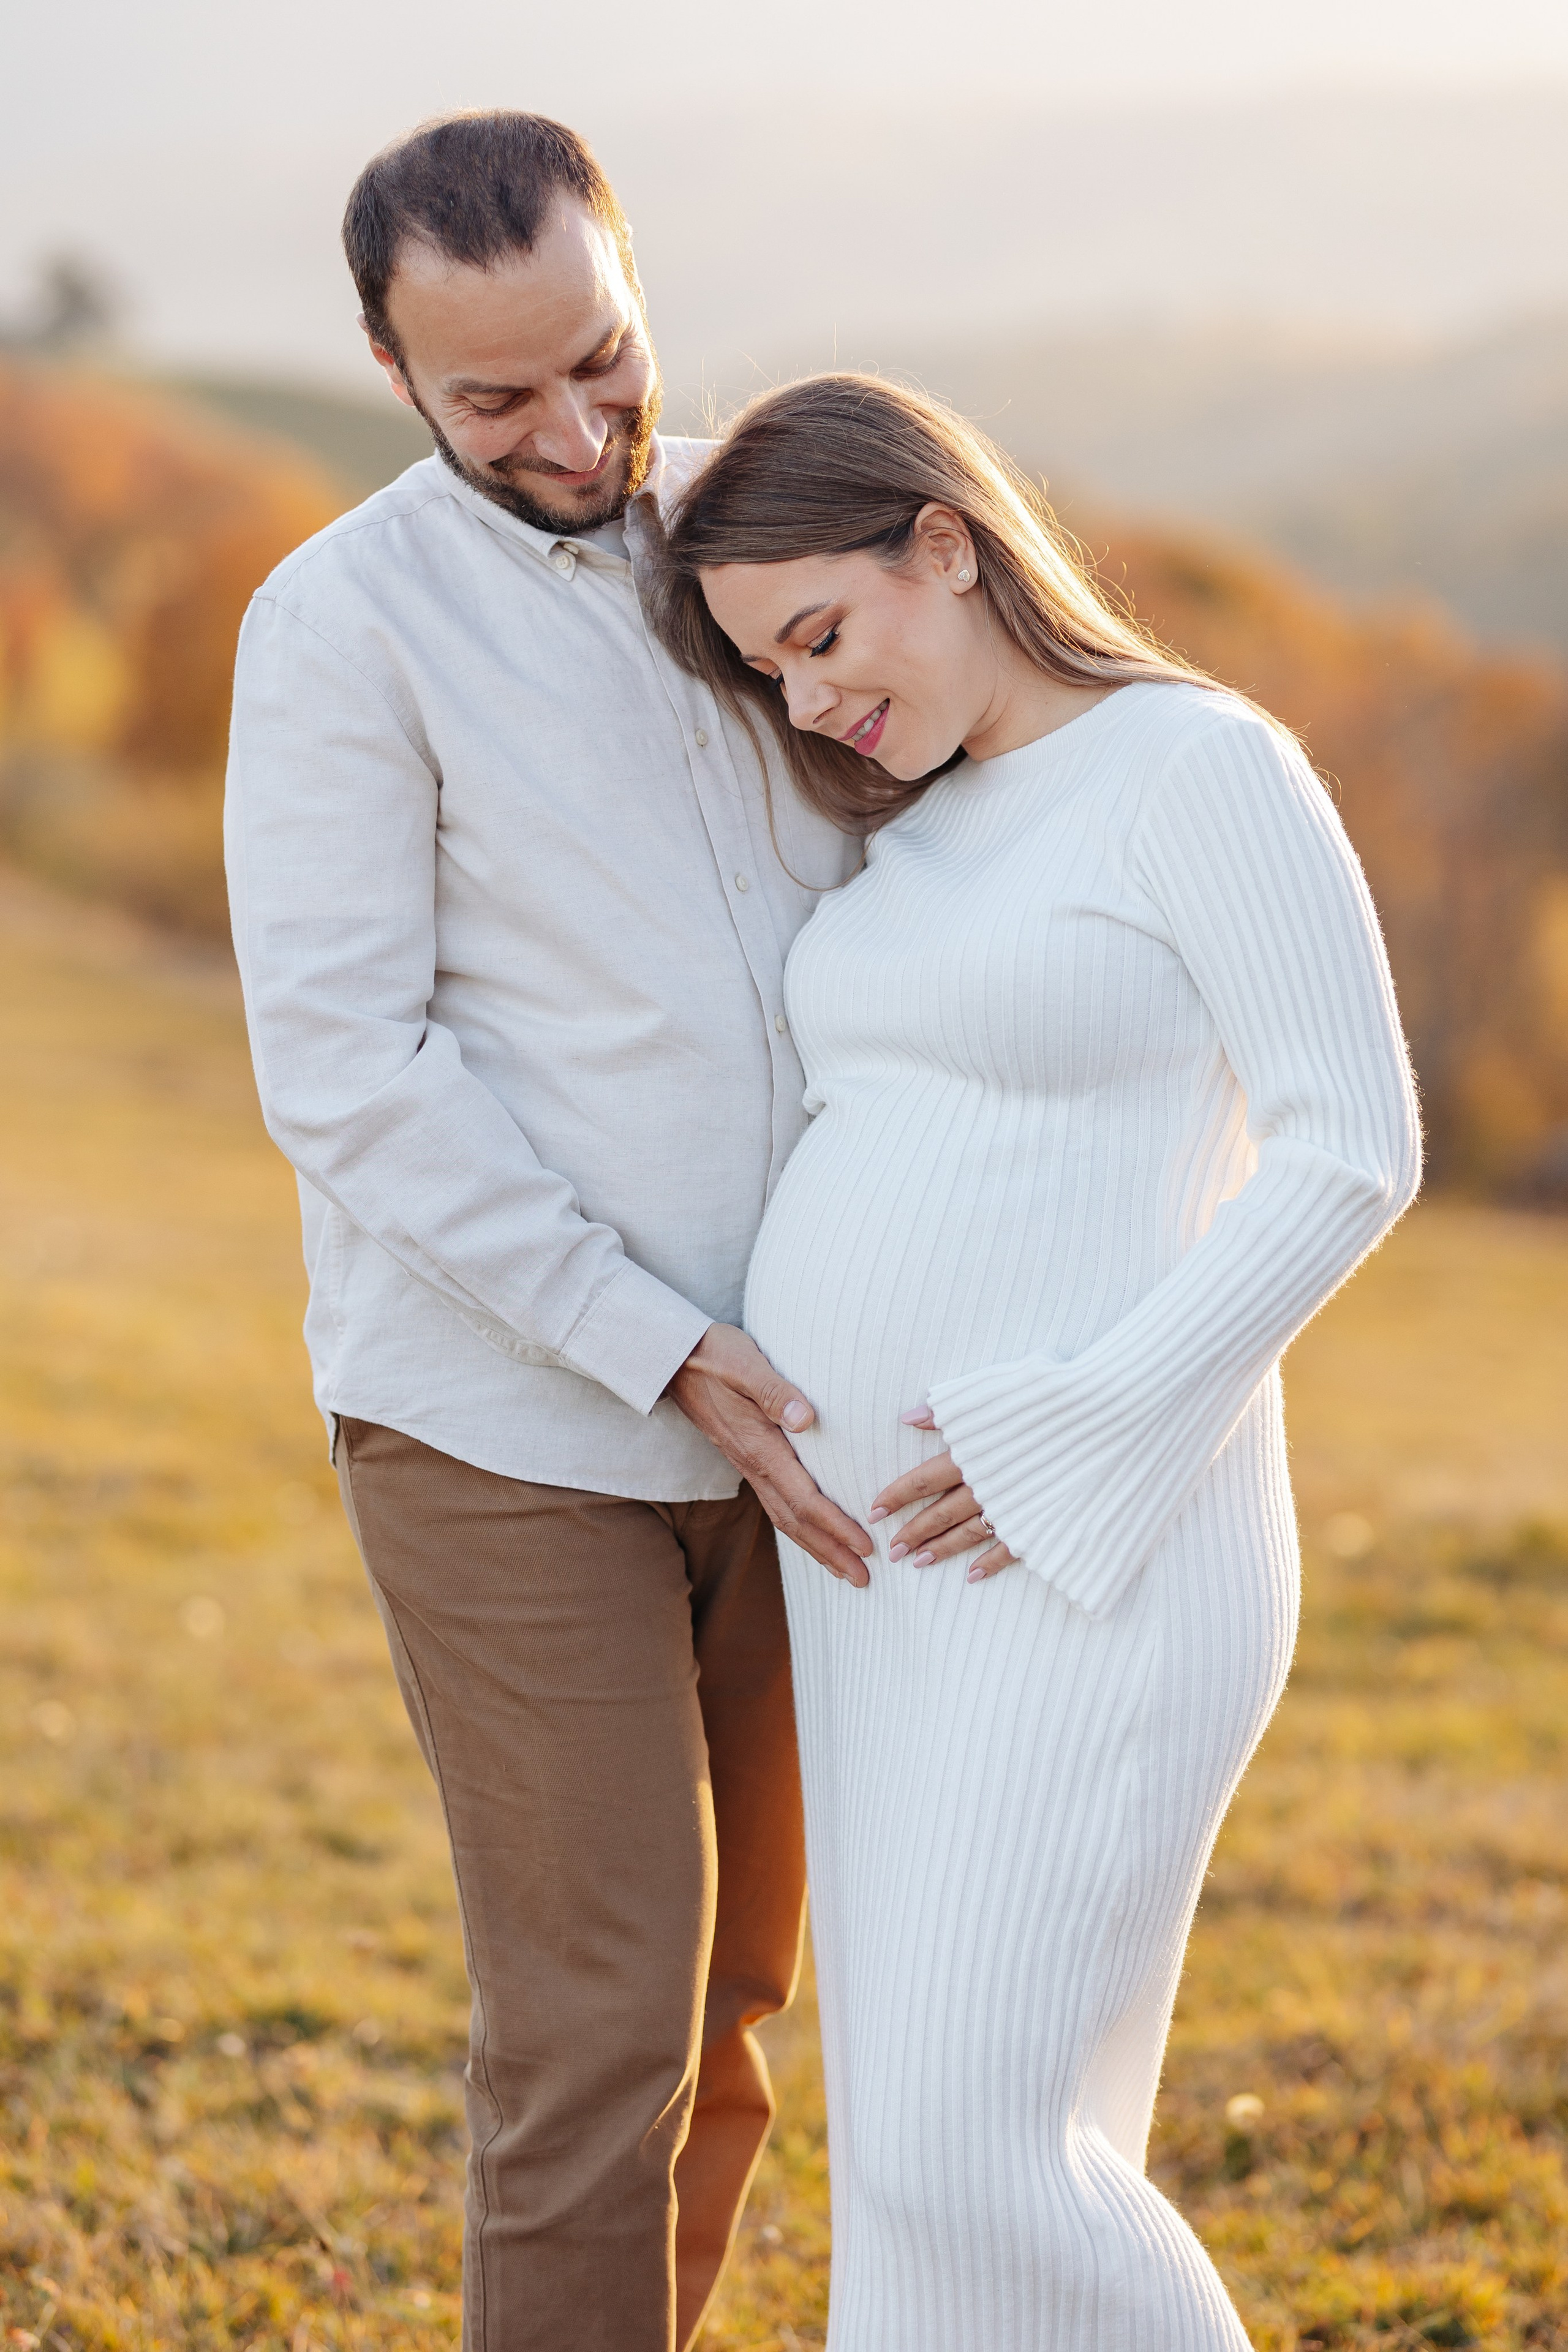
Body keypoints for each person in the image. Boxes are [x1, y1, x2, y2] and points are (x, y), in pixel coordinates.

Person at [651, 373, 1422, 2350]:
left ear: (947, 539)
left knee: (977, 2164)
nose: (810, 703)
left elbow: (1358, 1142)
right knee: (911, 2162)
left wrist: (1078, 1430)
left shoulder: (1198, 770)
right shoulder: (921, 827)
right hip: (893, 1577)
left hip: (1092, 1550)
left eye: (819, 637)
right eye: (770, 674)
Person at [224, 113, 870, 2352]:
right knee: (595, 2025)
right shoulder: (336, 627)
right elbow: (343, 1068)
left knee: (733, 2008)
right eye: (496, 398)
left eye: (604, 360)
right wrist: (653, 1339)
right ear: (392, 371)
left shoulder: (765, 537)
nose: (578, 432)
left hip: (808, 1414)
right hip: (509, 1424)